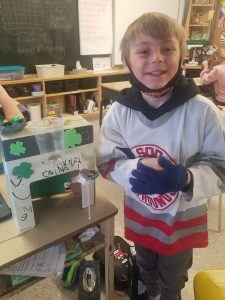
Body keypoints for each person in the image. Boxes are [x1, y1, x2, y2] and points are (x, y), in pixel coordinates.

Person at [97, 12, 225, 300]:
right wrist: (135, 169)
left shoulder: (203, 112)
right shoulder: (119, 112)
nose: (156, 58)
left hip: (180, 222)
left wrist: (187, 178)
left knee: (173, 276)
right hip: (142, 216)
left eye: (167, 48)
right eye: (144, 51)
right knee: (145, 265)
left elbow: (221, 167)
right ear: (126, 59)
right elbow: (107, 161)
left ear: (182, 56)